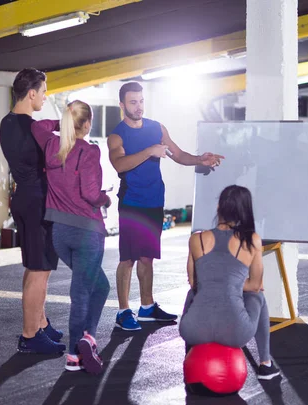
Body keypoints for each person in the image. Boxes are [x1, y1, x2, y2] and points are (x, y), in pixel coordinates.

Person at [107, 82, 224, 331]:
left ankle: (147, 308)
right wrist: (149, 151)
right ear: (122, 105)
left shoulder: (157, 128)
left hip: (154, 200)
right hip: (131, 202)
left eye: (141, 101)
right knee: (128, 258)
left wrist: (200, 159)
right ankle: (123, 311)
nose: (138, 107)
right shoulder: (117, 135)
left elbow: (178, 154)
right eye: (133, 102)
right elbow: (119, 164)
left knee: (147, 257)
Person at [31, 100, 111, 374]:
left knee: (99, 287)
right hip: (87, 232)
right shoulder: (89, 151)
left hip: (59, 233)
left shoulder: (52, 146)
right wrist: (106, 199)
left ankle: (87, 338)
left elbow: (38, 126)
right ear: (87, 124)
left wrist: (61, 125)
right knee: (81, 292)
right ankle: (75, 352)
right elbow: (91, 194)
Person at [179, 185, 280, 380]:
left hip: (193, 330)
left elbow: (194, 283)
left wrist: (219, 282)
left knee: (193, 295)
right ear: (245, 210)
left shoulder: (196, 239)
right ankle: (265, 365)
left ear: (219, 207)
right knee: (258, 295)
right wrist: (230, 284)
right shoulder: (252, 240)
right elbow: (255, 284)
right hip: (235, 333)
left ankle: (189, 358)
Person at [0, 68, 65, 354]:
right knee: (40, 270)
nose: (45, 96)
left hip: (23, 198)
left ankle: (40, 323)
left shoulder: (7, 122)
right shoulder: (33, 130)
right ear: (32, 93)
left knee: (35, 266)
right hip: (38, 201)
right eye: (44, 91)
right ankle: (30, 335)